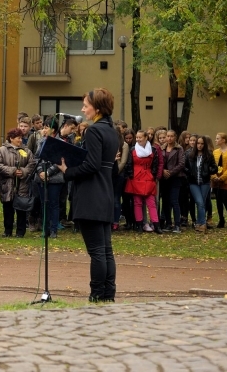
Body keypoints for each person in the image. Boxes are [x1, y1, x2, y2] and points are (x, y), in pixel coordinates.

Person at [57, 88, 120, 303]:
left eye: (86, 105)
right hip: (105, 193)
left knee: (97, 251)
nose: (83, 109)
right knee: (105, 250)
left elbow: (92, 164)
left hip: (91, 195)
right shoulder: (112, 130)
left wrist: (68, 171)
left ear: (98, 107)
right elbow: (107, 166)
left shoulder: (93, 131)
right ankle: (108, 294)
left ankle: (96, 295)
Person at [0, 128, 36, 238]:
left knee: (21, 209)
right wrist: (13, 171)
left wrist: (22, 171)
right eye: (18, 138)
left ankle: (20, 232)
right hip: (7, 184)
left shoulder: (27, 151)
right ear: (11, 138)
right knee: (8, 209)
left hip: (22, 184)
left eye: (21, 138)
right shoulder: (2, 150)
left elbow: (32, 165)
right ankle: (7, 231)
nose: (20, 140)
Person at [35, 117, 68, 239]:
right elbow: (36, 158)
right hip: (41, 177)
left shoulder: (61, 143)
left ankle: (54, 230)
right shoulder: (41, 142)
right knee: (44, 204)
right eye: (43, 127)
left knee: (54, 204)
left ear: (53, 129)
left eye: (46, 127)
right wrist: (40, 172)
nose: (43, 130)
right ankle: (45, 229)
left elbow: (60, 161)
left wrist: (48, 172)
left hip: (55, 178)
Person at [125, 130, 162, 233]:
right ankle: (139, 225)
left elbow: (155, 164)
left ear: (146, 138)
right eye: (137, 137)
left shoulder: (153, 150)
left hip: (148, 178)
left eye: (140, 137)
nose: (138, 139)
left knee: (151, 202)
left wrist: (153, 176)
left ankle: (156, 225)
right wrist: (131, 176)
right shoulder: (133, 149)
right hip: (136, 178)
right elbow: (129, 164)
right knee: (137, 202)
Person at [184, 135, 218, 233]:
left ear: (205, 145)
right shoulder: (190, 154)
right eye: (198, 143)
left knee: (201, 203)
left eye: (202, 143)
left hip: (205, 182)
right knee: (199, 202)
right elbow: (185, 167)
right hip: (193, 182)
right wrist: (189, 173)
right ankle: (203, 224)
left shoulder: (208, 155)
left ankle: (199, 223)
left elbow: (214, 167)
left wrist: (208, 171)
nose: (199, 145)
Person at [160, 130, 185, 233]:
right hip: (164, 178)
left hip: (175, 177)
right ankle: (168, 223)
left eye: (171, 136)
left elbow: (181, 163)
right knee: (165, 201)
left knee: (174, 201)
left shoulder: (179, 149)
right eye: (167, 136)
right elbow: (159, 162)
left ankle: (177, 224)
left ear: (175, 137)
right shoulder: (162, 148)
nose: (169, 138)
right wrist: (163, 171)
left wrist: (170, 172)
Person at [211, 132, 227, 228]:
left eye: (217, 138)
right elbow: (212, 166)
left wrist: (222, 178)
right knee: (218, 200)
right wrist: (214, 177)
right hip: (216, 180)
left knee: (224, 199)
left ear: (223, 140)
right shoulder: (215, 152)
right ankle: (221, 219)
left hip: (225, 180)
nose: (216, 140)